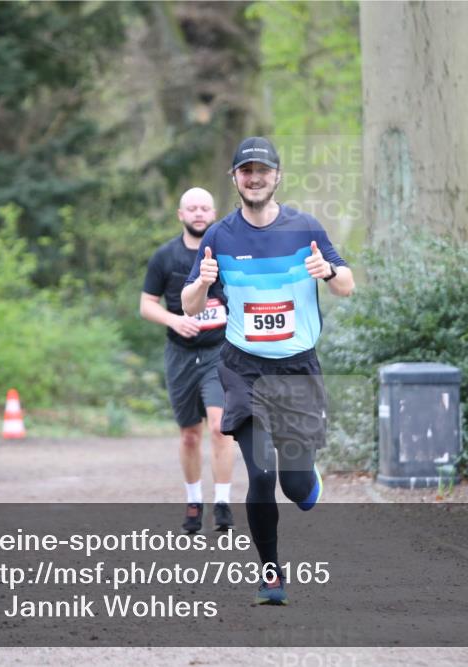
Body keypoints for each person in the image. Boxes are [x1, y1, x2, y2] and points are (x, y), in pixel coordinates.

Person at [181, 137, 354, 605]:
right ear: (234, 179)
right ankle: (272, 574)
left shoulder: (305, 229)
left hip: (297, 369)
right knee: (260, 475)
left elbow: (347, 286)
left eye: (263, 171)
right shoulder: (220, 235)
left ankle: (305, 477)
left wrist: (328, 272)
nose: (254, 178)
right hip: (244, 370)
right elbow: (188, 303)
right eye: (245, 171)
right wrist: (202, 282)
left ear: (277, 176)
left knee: (296, 486)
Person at [141, 187, 237, 533]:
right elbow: (147, 304)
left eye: (205, 208)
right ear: (181, 215)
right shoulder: (165, 257)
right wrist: (174, 319)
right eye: (192, 208)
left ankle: (223, 504)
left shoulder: (228, 255)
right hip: (180, 353)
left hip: (219, 353)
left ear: (214, 214)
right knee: (189, 436)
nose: (198, 213)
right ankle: (195, 501)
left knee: (219, 427)